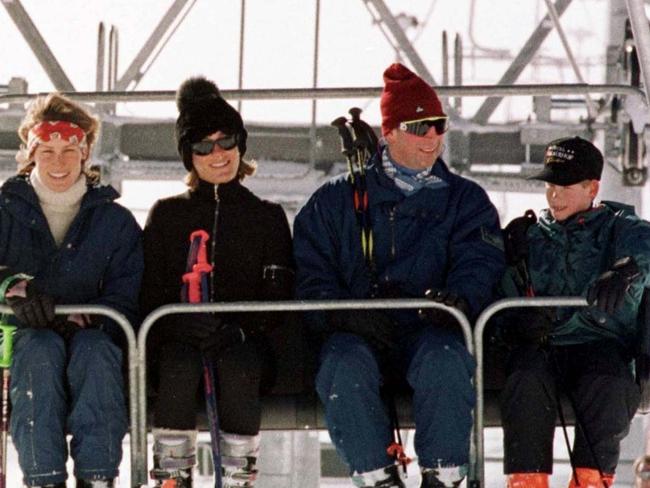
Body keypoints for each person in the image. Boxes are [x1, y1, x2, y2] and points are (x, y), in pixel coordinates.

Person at [293, 63, 505, 488]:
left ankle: (444, 474)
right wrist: (344, 314)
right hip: (359, 334)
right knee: (342, 366)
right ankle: (376, 476)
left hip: (428, 329)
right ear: (388, 132)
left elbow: (479, 262)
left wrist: (458, 302)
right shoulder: (335, 203)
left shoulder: (466, 202)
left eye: (438, 126)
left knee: (445, 361)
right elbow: (312, 275)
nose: (432, 138)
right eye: (418, 127)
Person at [140, 76, 294, 488]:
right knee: (177, 364)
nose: (218, 154)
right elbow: (149, 293)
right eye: (203, 146)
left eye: (226, 141)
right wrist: (178, 323)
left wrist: (240, 329)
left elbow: (280, 298)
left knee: (239, 365)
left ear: (241, 144)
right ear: (189, 156)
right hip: (178, 342)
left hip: (245, 345)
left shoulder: (267, 217)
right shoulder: (167, 216)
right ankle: (172, 475)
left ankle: (239, 475)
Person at [0, 93, 143, 488]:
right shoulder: (5, 212)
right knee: (39, 351)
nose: (58, 162)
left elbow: (127, 289)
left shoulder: (114, 222)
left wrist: (95, 316)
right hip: (21, 339)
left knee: (95, 354)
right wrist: (11, 289)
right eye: (46, 150)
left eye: (69, 150)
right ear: (31, 153)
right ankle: (43, 477)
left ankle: (97, 476)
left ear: (85, 152)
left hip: (91, 338)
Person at [499, 136, 650, 488]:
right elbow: (499, 287)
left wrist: (628, 268)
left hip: (598, 340)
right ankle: (526, 481)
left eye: (565, 186)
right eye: (550, 185)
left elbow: (645, 247)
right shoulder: (529, 239)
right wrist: (518, 322)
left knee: (609, 383)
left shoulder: (618, 229)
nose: (554, 195)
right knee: (525, 378)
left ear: (591, 187)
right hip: (542, 344)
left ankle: (591, 480)